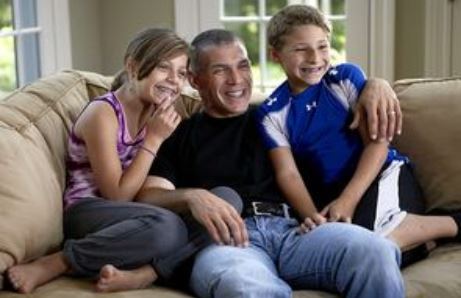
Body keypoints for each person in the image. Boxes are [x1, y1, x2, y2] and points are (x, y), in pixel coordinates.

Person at [136, 28, 407, 298]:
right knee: (245, 287)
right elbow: (149, 195)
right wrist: (193, 196)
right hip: (229, 243)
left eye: (243, 66)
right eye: (220, 70)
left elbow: (327, 81)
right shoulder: (180, 135)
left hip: (297, 232)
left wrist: (375, 84)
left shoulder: (278, 115)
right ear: (195, 80)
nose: (236, 80)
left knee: (376, 252)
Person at [5, 27, 243, 294]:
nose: (174, 81)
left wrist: (197, 198)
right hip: (89, 210)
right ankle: (61, 261)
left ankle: (147, 273)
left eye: (180, 73)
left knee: (225, 199)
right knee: (168, 228)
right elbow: (116, 195)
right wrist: (153, 139)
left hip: (139, 213)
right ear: (132, 66)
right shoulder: (103, 113)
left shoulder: (161, 110)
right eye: (163, 69)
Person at [256, 5, 461, 266]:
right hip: (340, 196)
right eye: (300, 49)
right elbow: (289, 174)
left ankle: (451, 223)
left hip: (384, 175)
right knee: (351, 252)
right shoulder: (271, 113)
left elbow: (378, 144)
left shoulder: (343, 79)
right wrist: (314, 219)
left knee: (368, 246)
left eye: (322, 46)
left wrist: (347, 200)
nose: (315, 58)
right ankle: (422, 240)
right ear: (276, 54)